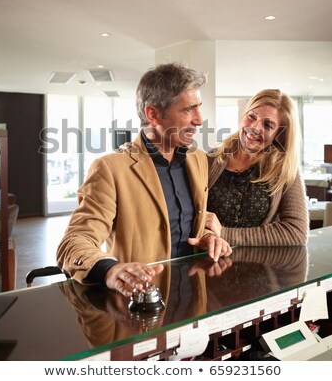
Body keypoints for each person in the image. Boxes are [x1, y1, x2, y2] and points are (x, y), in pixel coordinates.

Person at [57, 62, 232, 298]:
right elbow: (74, 242)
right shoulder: (109, 169)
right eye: (188, 110)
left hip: (193, 304)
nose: (199, 120)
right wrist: (111, 270)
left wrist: (210, 238)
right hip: (139, 309)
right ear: (153, 114)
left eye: (199, 108)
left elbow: (191, 225)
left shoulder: (199, 159)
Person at [206, 89, 309, 246]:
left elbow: (296, 232)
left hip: (259, 267)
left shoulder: (285, 169)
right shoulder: (211, 159)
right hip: (210, 263)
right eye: (251, 117)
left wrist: (224, 234)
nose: (254, 127)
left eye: (267, 125)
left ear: (279, 134)